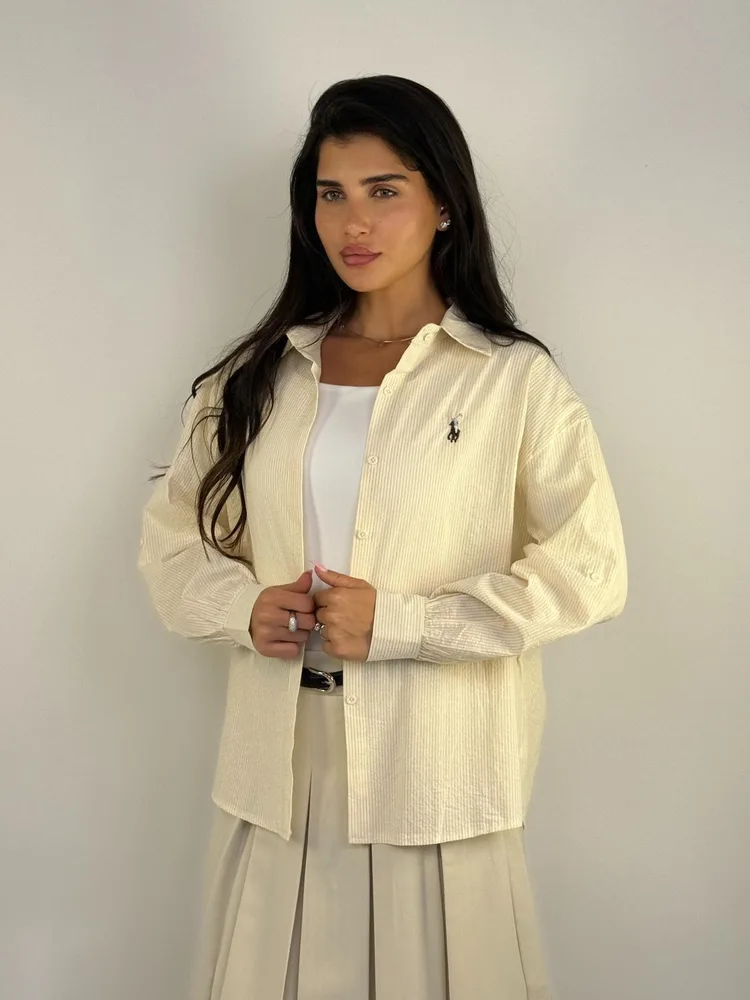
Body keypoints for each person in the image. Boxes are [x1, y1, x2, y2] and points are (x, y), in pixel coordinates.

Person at [137, 74, 627, 1000]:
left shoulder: (511, 382)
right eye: (332, 194)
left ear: (443, 204)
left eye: (384, 190)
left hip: (438, 776)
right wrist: (243, 608)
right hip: (278, 778)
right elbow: (171, 541)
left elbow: (590, 570)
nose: (352, 223)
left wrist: (403, 624)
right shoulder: (259, 377)